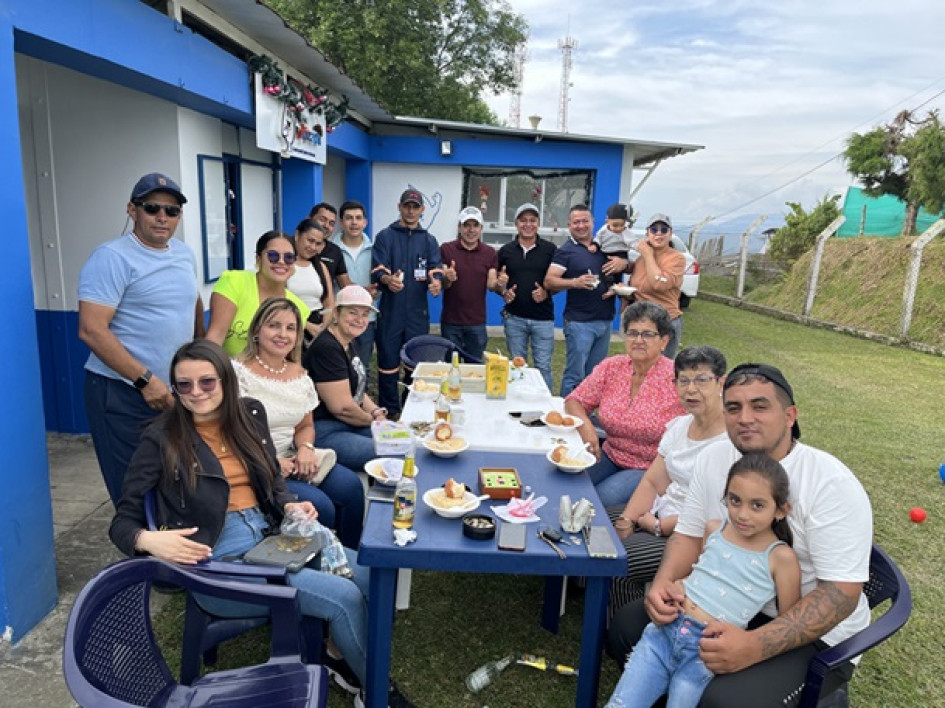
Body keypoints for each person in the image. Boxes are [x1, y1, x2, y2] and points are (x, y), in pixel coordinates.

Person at [108, 339, 370, 694]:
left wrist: (289, 504)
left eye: (207, 381)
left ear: (226, 381)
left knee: (371, 574)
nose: (195, 392)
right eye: (183, 384)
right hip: (220, 565)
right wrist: (149, 540)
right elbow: (122, 522)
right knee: (345, 597)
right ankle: (377, 690)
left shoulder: (248, 415)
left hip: (274, 539)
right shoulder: (162, 437)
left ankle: (337, 652)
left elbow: (272, 480)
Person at [608, 363, 873, 708]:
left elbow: (840, 593)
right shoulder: (714, 458)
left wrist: (754, 646)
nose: (744, 417)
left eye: (759, 406)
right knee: (627, 625)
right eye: (733, 407)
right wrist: (663, 584)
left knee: (722, 701)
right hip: (725, 604)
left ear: (790, 415)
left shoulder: (830, 482)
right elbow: (687, 535)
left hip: (815, 631)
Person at [605, 453, 801, 708]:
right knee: (622, 704)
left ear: (781, 510)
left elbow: (789, 622)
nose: (742, 514)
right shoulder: (714, 530)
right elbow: (703, 574)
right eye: (735, 500)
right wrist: (678, 585)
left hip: (705, 653)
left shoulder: (781, 558)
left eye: (757, 505)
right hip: (663, 632)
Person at [78, 172, 204, 505]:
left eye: (172, 210)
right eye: (152, 208)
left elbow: (192, 302)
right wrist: (145, 381)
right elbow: (92, 329)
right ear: (132, 211)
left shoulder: (183, 254)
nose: (162, 217)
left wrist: (203, 354)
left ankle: (168, 553)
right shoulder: (112, 257)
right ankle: (141, 555)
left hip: (171, 392)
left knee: (172, 483)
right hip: (122, 394)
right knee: (134, 490)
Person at [233, 298, 365, 548]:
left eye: (291, 328)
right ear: (257, 331)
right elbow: (227, 433)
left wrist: (306, 448)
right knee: (321, 506)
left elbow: (305, 425)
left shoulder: (299, 374)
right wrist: (270, 462)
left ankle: (349, 556)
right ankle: (317, 561)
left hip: (294, 458)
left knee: (351, 487)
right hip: (257, 465)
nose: (283, 334)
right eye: (274, 326)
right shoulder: (237, 373)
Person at [609, 346, 729, 609]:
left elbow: (718, 513)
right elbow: (653, 481)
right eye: (683, 381)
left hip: (692, 535)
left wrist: (658, 526)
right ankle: (585, 592)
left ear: (721, 382)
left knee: (621, 560)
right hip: (660, 512)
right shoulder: (680, 426)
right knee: (600, 523)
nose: (691, 389)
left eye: (701, 380)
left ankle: (622, 633)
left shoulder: (731, 442)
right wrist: (627, 521)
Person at [565, 302, 685, 508]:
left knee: (599, 501)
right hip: (610, 454)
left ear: (664, 341)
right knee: (567, 483)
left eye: (648, 334)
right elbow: (574, 400)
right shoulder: (612, 367)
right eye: (632, 333)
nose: (638, 340)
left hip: (650, 467)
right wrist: (585, 426)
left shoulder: (678, 378)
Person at [371, 188, 443, 416]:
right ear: (400, 207)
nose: (411, 211)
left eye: (415, 207)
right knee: (388, 364)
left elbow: (435, 268)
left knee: (415, 364)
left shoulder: (429, 240)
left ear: (422, 210)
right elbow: (377, 268)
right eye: (407, 206)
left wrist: (436, 282)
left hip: (417, 314)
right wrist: (386, 279)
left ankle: (413, 409)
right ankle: (390, 411)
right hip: (390, 312)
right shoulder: (385, 236)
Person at [544, 204, 626, 397]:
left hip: (605, 320)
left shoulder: (605, 245)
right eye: (576, 222)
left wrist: (624, 264)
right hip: (579, 323)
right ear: (569, 225)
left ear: (593, 222)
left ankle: (585, 417)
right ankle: (568, 415)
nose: (581, 226)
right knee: (575, 375)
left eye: (585, 221)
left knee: (595, 375)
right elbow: (549, 281)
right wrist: (575, 282)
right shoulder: (566, 251)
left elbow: (625, 264)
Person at [305, 286, 388, 474]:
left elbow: (357, 390)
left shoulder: (348, 341)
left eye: (365, 314)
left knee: (402, 440)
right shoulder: (327, 348)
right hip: (323, 430)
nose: (359, 320)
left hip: (347, 424)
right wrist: (373, 422)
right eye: (352, 313)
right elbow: (342, 408)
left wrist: (376, 411)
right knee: (391, 449)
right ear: (336, 313)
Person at [206, 231, 310, 356]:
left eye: (288, 258)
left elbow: (290, 356)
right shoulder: (234, 282)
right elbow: (215, 338)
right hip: (228, 370)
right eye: (273, 256)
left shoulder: (298, 307)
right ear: (258, 259)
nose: (281, 262)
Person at [496, 203, 557, 392]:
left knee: (543, 367)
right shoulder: (506, 251)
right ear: (516, 223)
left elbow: (558, 280)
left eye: (532, 220)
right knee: (517, 365)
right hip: (514, 318)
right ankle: (518, 404)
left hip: (543, 319)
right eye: (523, 220)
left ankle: (545, 408)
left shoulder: (550, 249)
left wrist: (547, 292)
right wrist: (503, 290)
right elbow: (496, 282)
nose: (528, 224)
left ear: (538, 223)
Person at [439, 206, 500, 361]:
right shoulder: (447, 249)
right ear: (460, 227)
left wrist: (500, 283)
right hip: (451, 322)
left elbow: (491, 284)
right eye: (466, 225)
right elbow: (444, 284)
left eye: (475, 225)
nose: (471, 230)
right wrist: (447, 277)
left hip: (476, 322)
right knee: (451, 368)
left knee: (475, 368)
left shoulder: (490, 252)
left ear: (481, 228)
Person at [629, 213, 687, 358]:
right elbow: (639, 287)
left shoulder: (676, 258)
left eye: (664, 230)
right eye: (654, 230)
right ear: (647, 234)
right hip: (642, 322)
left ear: (670, 233)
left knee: (661, 371)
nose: (659, 234)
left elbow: (657, 284)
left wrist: (648, 254)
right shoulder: (641, 259)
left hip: (665, 322)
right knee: (640, 367)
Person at [333, 200, 378, 370]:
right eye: (349, 218)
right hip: (339, 318)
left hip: (367, 318)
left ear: (365, 222)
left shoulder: (375, 249)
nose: (354, 222)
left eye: (358, 218)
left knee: (362, 367)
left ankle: (360, 397)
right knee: (338, 365)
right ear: (341, 222)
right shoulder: (331, 249)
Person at [287, 219, 335, 346]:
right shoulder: (284, 265)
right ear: (297, 235)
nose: (313, 247)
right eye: (310, 240)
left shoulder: (320, 267)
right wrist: (306, 325)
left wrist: (323, 329)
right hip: (290, 324)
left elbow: (329, 303)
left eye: (318, 243)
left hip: (318, 323)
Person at [309, 202, 353, 290]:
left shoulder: (335, 251)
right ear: (309, 219)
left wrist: (363, 291)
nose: (326, 225)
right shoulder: (292, 246)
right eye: (322, 219)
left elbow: (345, 285)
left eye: (331, 223)